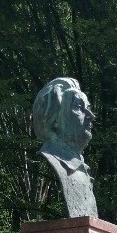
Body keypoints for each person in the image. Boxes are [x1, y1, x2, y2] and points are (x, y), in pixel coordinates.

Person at [32, 77, 98, 218]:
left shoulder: (83, 169)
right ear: (53, 120)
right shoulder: (55, 161)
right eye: (78, 107)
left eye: (88, 108)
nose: (91, 116)